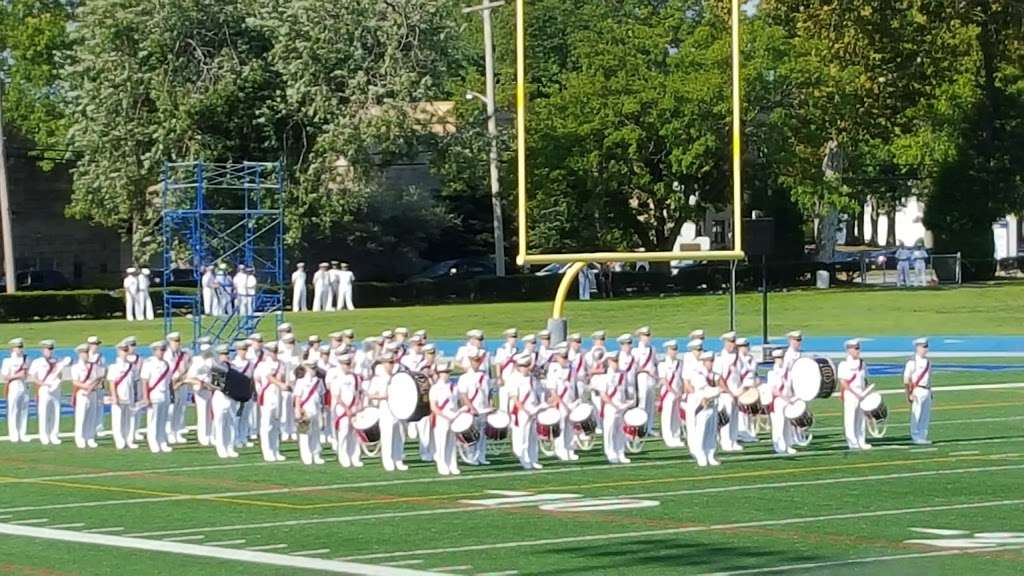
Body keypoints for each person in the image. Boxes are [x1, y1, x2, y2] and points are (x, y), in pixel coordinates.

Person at [370, 352, 408, 471]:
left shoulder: (398, 377)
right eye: (388, 363)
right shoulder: (378, 379)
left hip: (398, 410)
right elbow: (371, 395)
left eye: (392, 362)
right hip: (386, 410)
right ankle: (388, 460)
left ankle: (398, 459)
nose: (390, 365)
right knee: (387, 436)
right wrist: (383, 396)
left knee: (399, 436)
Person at [684, 349, 720, 467]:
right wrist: (719, 390)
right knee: (700, 432)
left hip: (712, 405)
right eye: (708, 361)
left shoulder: (713, 374)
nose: (710, 363)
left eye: (712, 361)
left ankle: (710, 454)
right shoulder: (698, 374)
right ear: (703, 362)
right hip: (702, 406)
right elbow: (706, 391)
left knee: (711, 432)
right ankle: (700, 455)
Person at [510, 354, 544, 470]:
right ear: (518, 366)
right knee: (522, 436)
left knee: (533, 437)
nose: (525, 368)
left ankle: (533, 459)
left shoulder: (531, 378)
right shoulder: (514, 378)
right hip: (522, 410)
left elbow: (536, 393)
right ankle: (524, 459)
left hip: (533, 409)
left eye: (526, 366)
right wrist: (524, 410)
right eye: (522, 366)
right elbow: (515, 398)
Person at [329, 353, 364, 468]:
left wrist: (359, 405)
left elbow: (359, 392)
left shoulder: (356, 377)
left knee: (354, 433)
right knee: (343, 433)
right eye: (344, 364)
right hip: (342, 409)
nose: (347, 366)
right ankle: (343, 456)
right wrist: (346, 409)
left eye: (348, 364)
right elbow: (337, 397)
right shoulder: (337, 379)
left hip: (354, 409)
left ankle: (355, 456)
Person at [457, 348, 491, 465]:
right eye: (474, 361)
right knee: (472, 434)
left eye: (478, 361)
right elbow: (463, 395)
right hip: (472, 409)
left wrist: (490, 405)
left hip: (483, 408)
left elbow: (489, 392)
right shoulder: (465, 377)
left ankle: (481, 456)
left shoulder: (485, 376)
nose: (476, 363)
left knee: (482, 434)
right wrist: (471, 407)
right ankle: (471, 455)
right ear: (470, 361)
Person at [254, 342, 286, 462]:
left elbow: (283, 377)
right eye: (272, 351)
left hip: (278, 395)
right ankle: (267, 451)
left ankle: (275, 449)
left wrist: (284, 383)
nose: (274, 354)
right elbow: (265, 378)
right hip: (267, 395)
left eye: (276, 351)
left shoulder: (281, 364)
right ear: (267, 352)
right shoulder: (263, 365)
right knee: (267, 424)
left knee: (276, 424)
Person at [429, 362, 463, 476]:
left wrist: (457, 414)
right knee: (441, 442)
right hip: (441, 417)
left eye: (447, 373)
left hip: (453, 416)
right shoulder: (435, 388)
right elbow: (433, 407)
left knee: (452, 443)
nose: (446, 375)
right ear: (439, 374)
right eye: (443, 373)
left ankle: (452, 464)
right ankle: (442, 464)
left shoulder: (454, 386)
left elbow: (457, 402)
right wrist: (445, 416)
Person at [838, 338, 871, 450]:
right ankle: (852, 442)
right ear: (849, 350)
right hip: (851, 394)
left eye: (858, 348)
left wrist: (866, 391)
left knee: (861, 419)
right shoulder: (844, 364)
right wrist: (854, 393)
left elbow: (865, 379)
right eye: (855, 349)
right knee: (850, 418)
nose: (857, 351)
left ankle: (861, 440)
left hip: (861, 393)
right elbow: (843, 382)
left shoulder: (862, 363)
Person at [29, 340, 65, 445]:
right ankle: (44, 435)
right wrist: (43, 384)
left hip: (55, 389)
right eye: (47, 349)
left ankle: (54, 435)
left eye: (51, 349)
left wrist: (57, 381)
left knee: (55, 412)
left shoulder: (57, 361)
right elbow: (32, 376)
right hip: (44, 389)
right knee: (43, 412)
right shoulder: (37, 362)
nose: (49, 351)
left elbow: (60, 374)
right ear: (42, 350)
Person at [546, 347, 578, 461]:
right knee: (561, 426)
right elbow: (552, 389)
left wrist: (575, 401)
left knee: (570, 427)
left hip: (570, 401)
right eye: (562, 357)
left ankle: (570, 449)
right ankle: (560, 450)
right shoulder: (553, 369)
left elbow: (574, 386)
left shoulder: (572, 368)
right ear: (557, 357)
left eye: (565, 357)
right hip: (560, 401)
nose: (564, 359)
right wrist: (559, 402)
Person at [141, 341, 173, 453]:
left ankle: (162, 441)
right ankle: (153, 442)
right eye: (160, 350)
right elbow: (144, 381)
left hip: (165, 394)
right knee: (153, 420)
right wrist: (146, 397)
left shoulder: (166, 364)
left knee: (163, 419)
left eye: (164, 350)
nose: (162, 352)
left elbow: (168, 381)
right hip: (154, 394)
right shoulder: (149, 363)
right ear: (154, 351)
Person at [714, 331, 743, 452]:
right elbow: (718, 378)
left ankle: (733, 439)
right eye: (730, 342)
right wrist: (729, 392)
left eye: (733, 342)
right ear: (725, 343)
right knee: (727, 417)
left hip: (737, 391)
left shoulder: (738, 357)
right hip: (726, 393)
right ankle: (725, 441)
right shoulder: (720, 358)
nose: (732, 345)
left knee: (735, 417)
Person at [106, 339, 138, 450]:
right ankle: (119, 440)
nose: (125, 353)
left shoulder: (131, 366)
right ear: (118, 352)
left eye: (126, 350)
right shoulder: (114, 367)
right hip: (119, 397)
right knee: (118, 420)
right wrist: (114, 396)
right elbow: (112, 383)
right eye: (123, 351)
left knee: (129, 419)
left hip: (129, 396)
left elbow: (133, 382)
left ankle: (129, 440)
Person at [209, 345, 239, 459]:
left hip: (231, 398)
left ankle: (230, 447)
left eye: (227, 354)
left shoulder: (233, 367)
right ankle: (221, 448)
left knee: (231, 423)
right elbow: (212, 384)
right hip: (220, 397)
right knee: (220, 423)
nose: (226, 356)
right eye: (223, 354)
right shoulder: (215, 368)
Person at [293, 360, 325, 465]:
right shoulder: (301, 381)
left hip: (316, 409)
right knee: (305, 434)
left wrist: (323, 412)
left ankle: (316, 454)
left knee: (316, 432)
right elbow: (297, 397)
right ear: (306, 369)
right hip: (305, 410)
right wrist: (298, 411)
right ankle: (306, 456)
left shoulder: (318, 381)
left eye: (314, 368)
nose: (313, 370)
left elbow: (321, 396)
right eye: (311, 368)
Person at [599, 354, 630, 464]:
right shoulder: (604, 377)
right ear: (608, 362)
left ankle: (620, 452)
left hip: (621, 406)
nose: (615, 363)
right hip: (610, 407)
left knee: (621, 431)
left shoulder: (622, 375)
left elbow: (624, 391)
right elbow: (603, 395)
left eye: (616, 361)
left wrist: (626, 403)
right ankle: (610, 452)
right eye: (613, 361)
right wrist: (614, 405)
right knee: (610, 430)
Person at [767, 348, 796, 455]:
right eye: (777, 358)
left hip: (788, 399)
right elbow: (774, 390)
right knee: (778, 424)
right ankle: (779, 446)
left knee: (787, 424)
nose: (779, 360)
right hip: (778, 401)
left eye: (781, 358)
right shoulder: (772, 373)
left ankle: (788, 445)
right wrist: (784, 398)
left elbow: (792, 386)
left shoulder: (789, 373)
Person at [904, 337, 933, 445]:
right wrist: (909, 393)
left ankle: (923, 436)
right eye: (923, 347)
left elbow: (929, 378)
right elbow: (906, 380)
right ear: (917, 348)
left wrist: (931, 391)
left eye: (926, 347)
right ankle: (915, 435)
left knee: (925, 415)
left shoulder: (928, 362)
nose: (925, 349)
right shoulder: (912, 362)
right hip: (917, 390)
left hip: (926, 390)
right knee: (916, 414)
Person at [70, 344, 100, 448]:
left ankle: (90, 437)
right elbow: (75, 382)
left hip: (93, 393)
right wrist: (86, 386)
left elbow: (96, 379)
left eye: (87, 352)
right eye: (84, 353)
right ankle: (79, 438)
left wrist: (92, 387)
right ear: (80, 354)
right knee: (81, 416)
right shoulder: (76, 367)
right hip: (82, 393)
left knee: (91, 416)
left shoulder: (93, 366)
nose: (87, 355)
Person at [186, 344, 215, 447]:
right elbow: (189, 377)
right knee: (202, 413)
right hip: (201, 389)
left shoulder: (211, 360)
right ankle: (203, 436)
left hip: (210, 388)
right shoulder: (197, 361)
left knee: (210, 414)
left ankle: (210, 434)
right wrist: (200, 383)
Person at [165, 332, 192, 444]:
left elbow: (187, 367)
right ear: (169, 342)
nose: (177, 344)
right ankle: (170, 432)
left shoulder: (183, 354)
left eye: (178, 341)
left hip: (182, 383)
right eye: (174, 341)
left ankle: (177, 431)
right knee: (171, 409)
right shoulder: (167, 355)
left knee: (181, 408)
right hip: (171, 384)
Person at [657, 340, 684, 448]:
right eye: (672, 349)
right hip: (668, 393)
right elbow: (663, 380)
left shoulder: (679, 363)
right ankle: (668, 437)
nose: (674, 352)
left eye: (675, 349)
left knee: (676, 416)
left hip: (677, 392)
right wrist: (672, 391)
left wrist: (680, 391)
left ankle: (676, 435)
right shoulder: (662, 364)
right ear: (667, 350)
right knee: (667, 415)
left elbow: (680, 378)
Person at [2, 338, 29, 442]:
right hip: (13, 386)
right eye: (17, 347)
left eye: (21, 347)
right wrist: (17, 375)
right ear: (12, 348)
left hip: (23, 386)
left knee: (23, 410)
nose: (20, 349)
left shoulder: (25, 359)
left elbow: (26, 375)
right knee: (13, 410)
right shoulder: (7, 361)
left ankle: (22, 433)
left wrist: (23, 373)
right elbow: (5, 377)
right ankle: (13, 434)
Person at [231, 340, 256, 448]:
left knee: (245, 416)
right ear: (237, 350)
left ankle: (243, 437)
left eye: (245, 349)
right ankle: (236, 438)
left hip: (247, 391)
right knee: (236, 416)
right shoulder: (233, 364)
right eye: (241, 350)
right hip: (237, 393)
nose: (243, 352)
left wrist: (254, 391)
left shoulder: (250, 363)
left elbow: (252, 378)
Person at [633, 326, 657, 431]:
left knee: (650, 404)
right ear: (640, 337)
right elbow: (634, 366)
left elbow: (655, 363)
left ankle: (649, 427)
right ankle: (640, 426)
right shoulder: (636, 350)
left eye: (648, 335)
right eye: (645, 336)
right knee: (642, 402)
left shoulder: (653, 349)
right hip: (642, 377)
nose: (647, 338)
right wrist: (645, 370)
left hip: (651, 378)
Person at [493, 328, 519, 412]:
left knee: (512, 405)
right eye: (511, 337)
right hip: (505, 379)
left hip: (514, 380)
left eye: (515, 337)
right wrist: (499, 377)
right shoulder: (501, 350)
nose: (513, 339)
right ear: (507, 338)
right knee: (503, 405)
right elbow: (498, 364)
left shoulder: (516, 350)